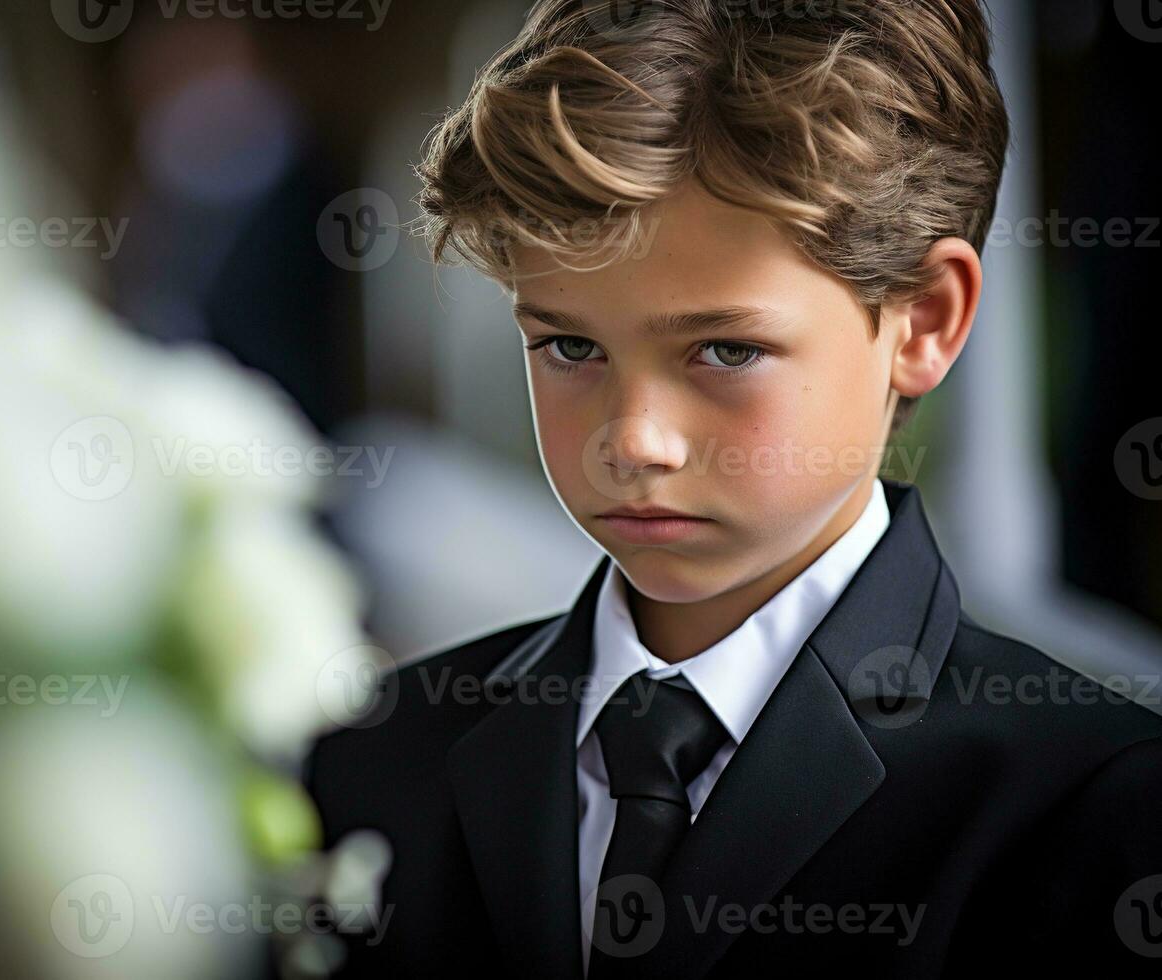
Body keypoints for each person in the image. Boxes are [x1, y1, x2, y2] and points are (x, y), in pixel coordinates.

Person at [304, 2, 1162, 976]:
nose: (634, 439)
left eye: (726, 349)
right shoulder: (374, 754)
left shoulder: (1103, 807)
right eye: (570, 344)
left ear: (924, 321)